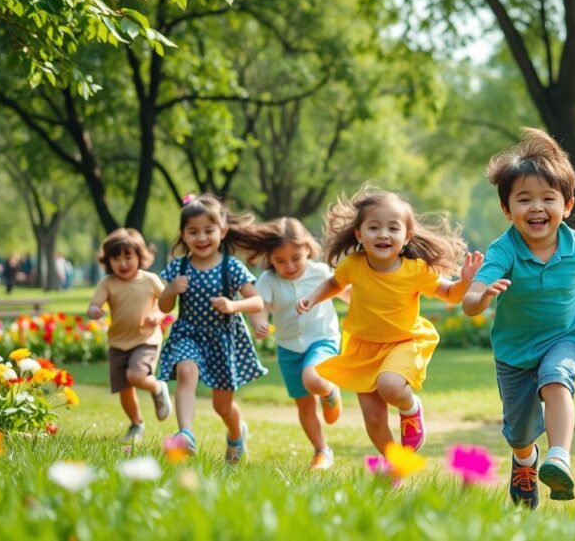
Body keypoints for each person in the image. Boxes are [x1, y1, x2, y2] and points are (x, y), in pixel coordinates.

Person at [462, 128, 575, 508]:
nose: (536, 208)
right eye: (524, 199)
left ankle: (559, 458)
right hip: (514, 350)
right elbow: (470, 302)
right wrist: (479, 294)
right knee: (519, 431)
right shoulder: (504, 250)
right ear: (507, 208)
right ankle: (524, 461)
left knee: (556, 380)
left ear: (566, 206)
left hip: (566, 336)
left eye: (547, 198)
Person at [296, 185, 482, 456]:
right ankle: (395, 463)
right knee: (373, 418)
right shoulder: (354, 265)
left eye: (393, 228)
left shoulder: (416, 270)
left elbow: (451, 295)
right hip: (364, 348)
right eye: (374, 228)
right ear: (359, 234)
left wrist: (465, 282)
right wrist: (313, 298)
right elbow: (335, 283)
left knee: (390, 385)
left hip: (404, 342)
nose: (383, 234)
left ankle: (411, 408)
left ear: (407, 237)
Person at [157, 194, 268, 464]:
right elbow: (163, 306)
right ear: (183, 235)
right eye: (193, 232)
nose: (201, 237)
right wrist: (171, 290)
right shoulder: (179, 267)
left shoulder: (231, 267)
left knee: (223, 406)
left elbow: (257, 301)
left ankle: (236, 433)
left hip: (222, 339)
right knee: (186, 370)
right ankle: (186, 434)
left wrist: (233, 305)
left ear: (223, 230)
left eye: (209, 230)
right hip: (189, 333)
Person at [247, 217, 349, 470]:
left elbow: (347, 294)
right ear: (270, 259)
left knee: (312, 378)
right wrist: (259, 321)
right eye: (280, 261)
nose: (289, 265)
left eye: (295, 257)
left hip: (323, 338)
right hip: (288, 348)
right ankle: (321, 451)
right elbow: (261, 306)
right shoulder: (269, 280)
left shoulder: (321, 273)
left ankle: (329, 391)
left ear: (307, 249)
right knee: (303, 404)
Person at [87, 228, 172, 444]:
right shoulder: (107, 283)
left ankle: (157, 387)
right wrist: (95, 311)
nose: (123, 263)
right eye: (116, 258)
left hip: (146, 339)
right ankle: (136, 424)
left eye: (128, 257)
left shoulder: (150, 280)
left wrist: (157, 315)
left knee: (135, 375)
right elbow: (94, 305)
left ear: (139, 257)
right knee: (125, 389)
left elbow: (167, 304)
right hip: (118, 343)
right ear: (108, 261)